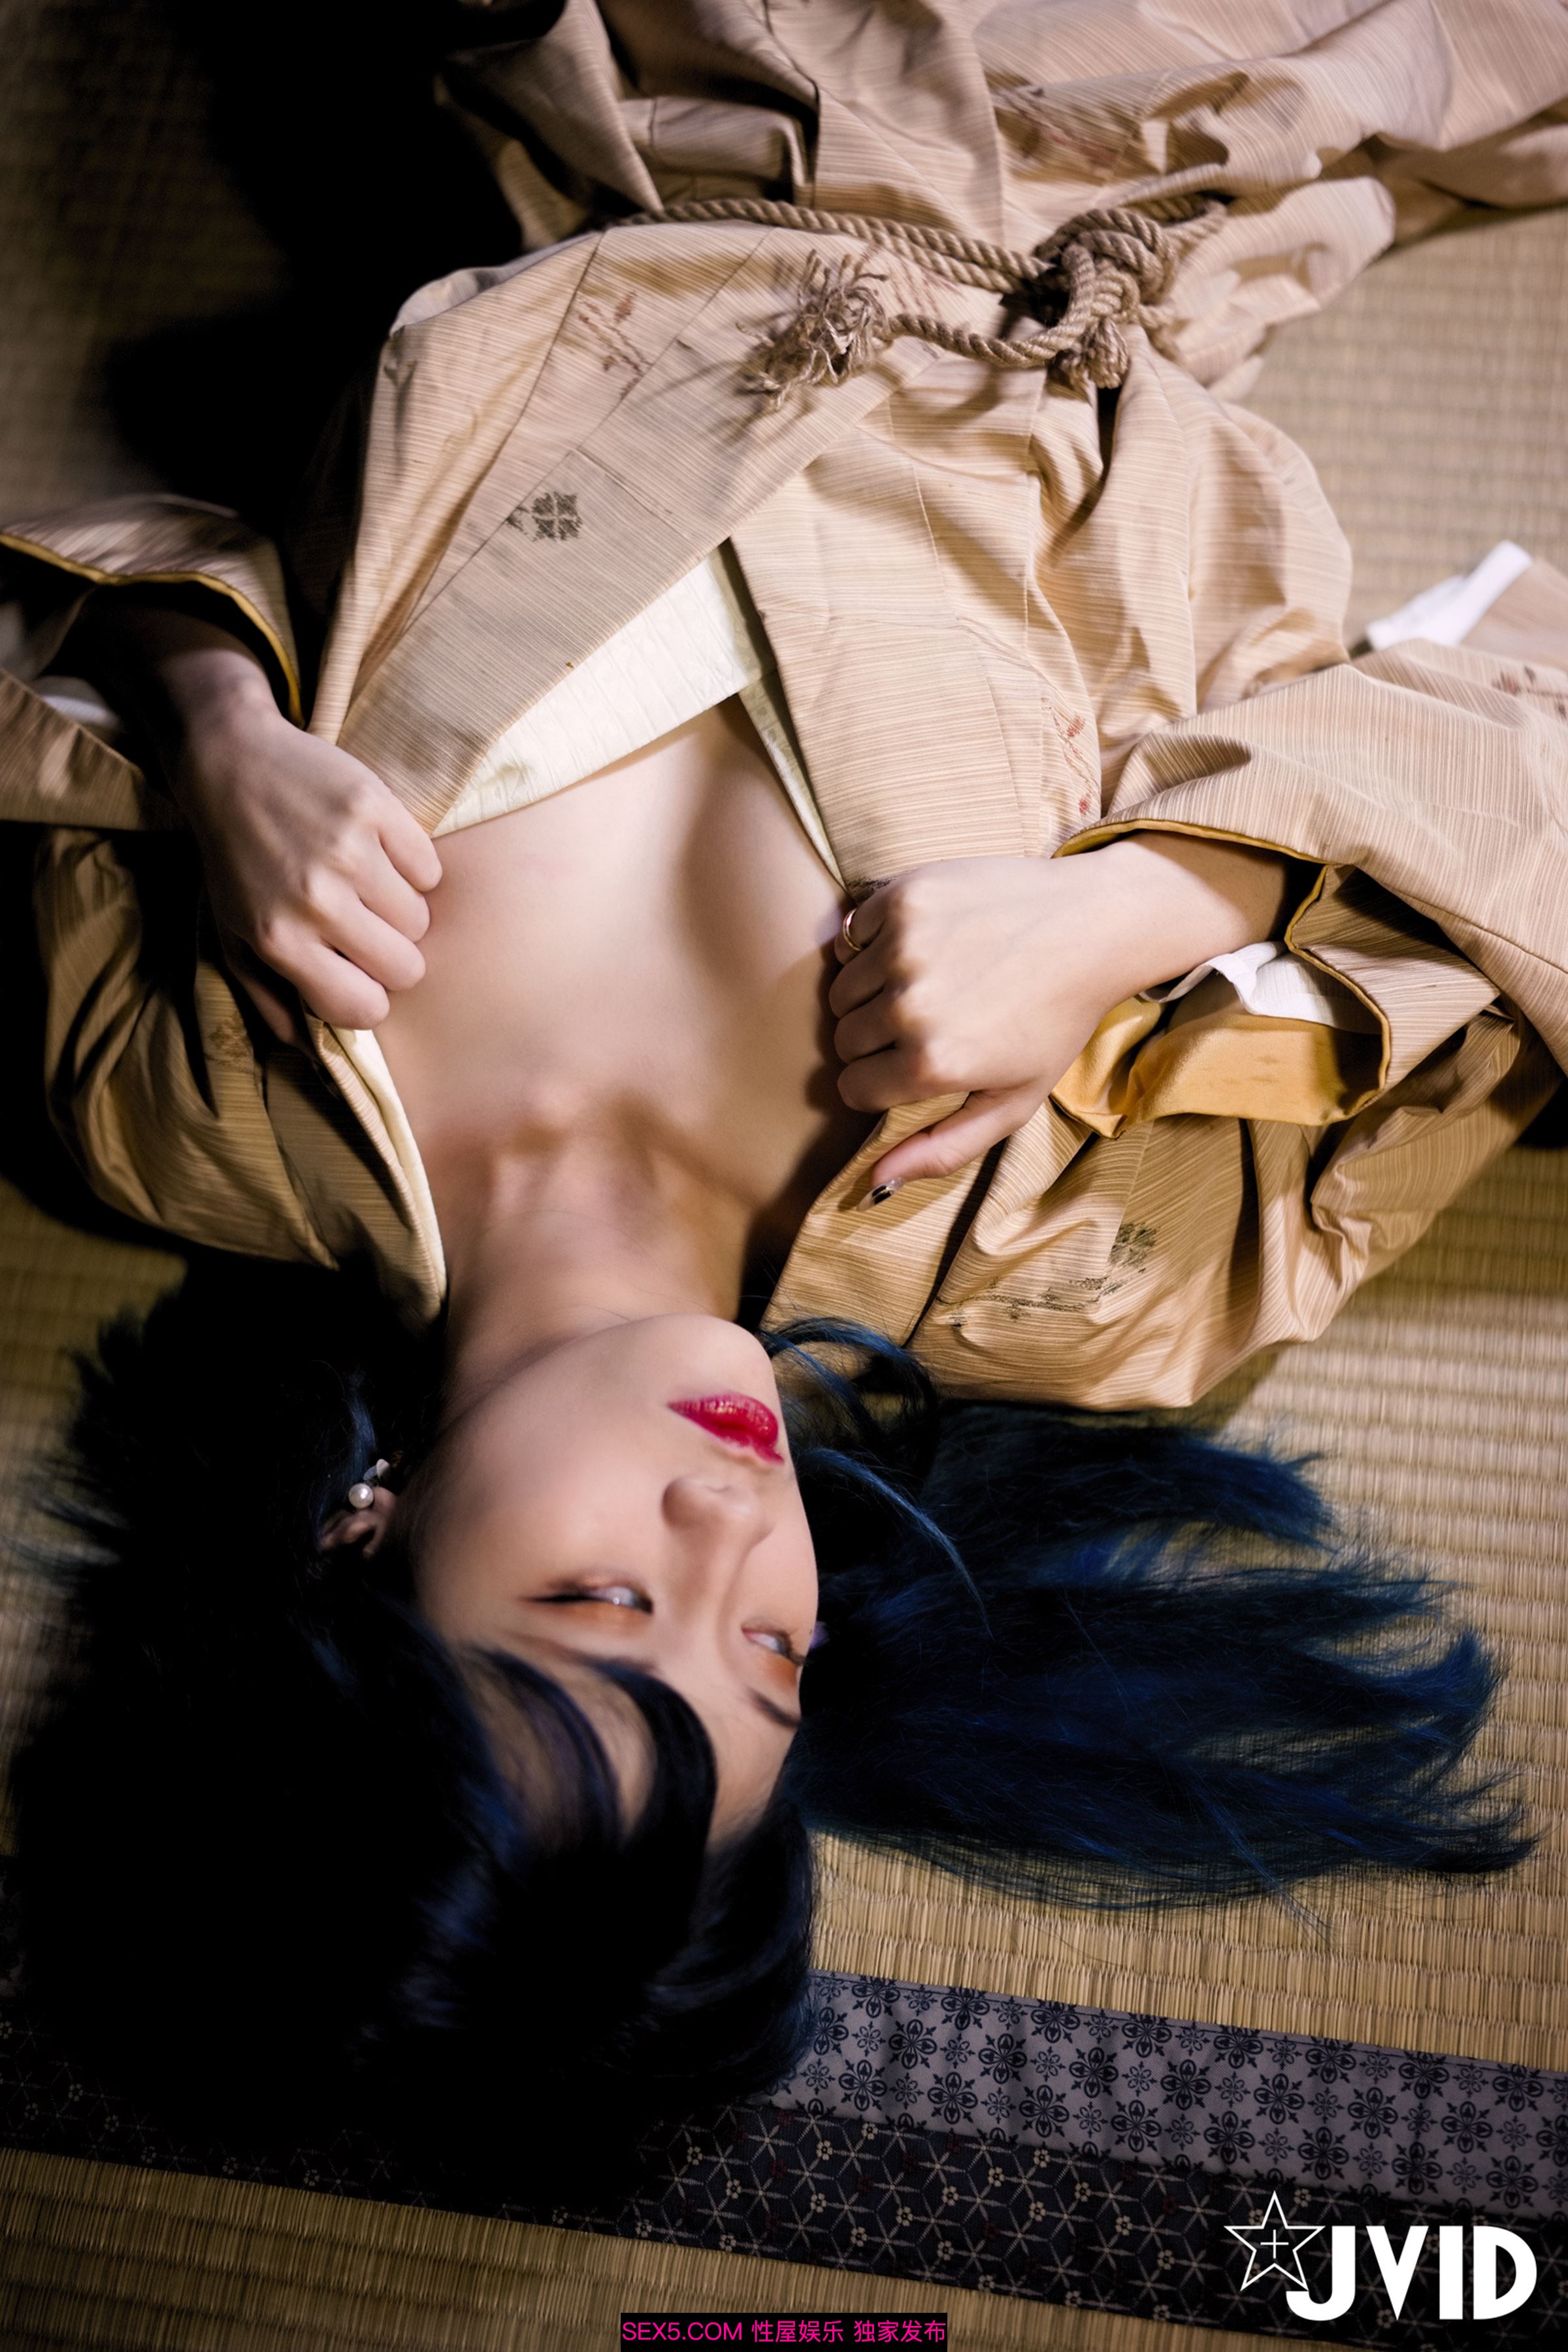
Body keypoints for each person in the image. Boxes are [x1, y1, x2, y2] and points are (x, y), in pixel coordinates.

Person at [5, 0, 1568, 2192]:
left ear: (356, 1550)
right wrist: (1133, 907)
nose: (738, 1537)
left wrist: (215, 731)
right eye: (769, 1659)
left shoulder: (188, 1099)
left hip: (621, 75)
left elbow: (92, 591)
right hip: (1148, 122)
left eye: (598, 1607)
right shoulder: (1063, 1268)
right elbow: (1520, 735)